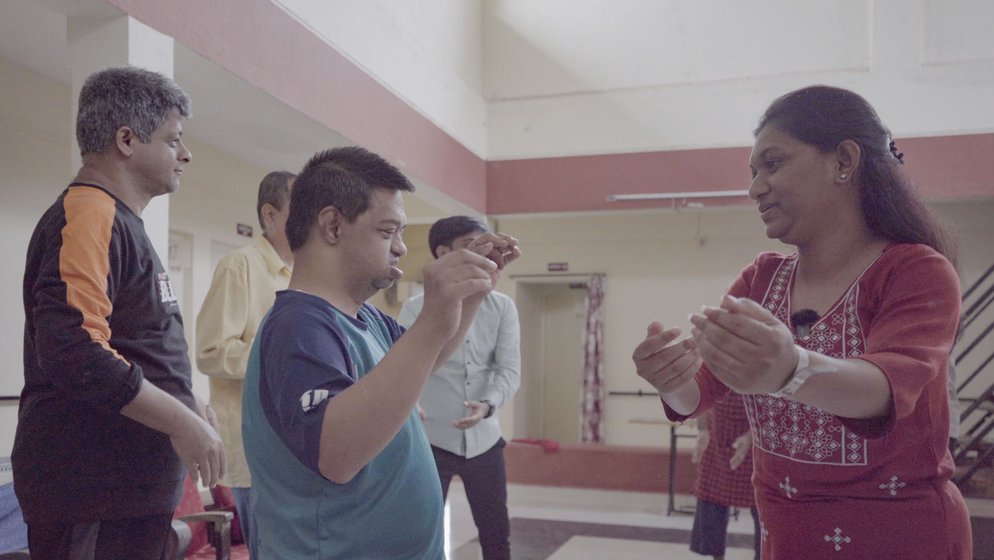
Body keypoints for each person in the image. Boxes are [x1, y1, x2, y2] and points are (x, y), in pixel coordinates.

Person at [632, 85, 971, 559]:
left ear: (844, 161)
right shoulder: (761, 279)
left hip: (899, 540)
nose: (754, 188)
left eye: (773, 164)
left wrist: (792, 371)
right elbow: (700, 390)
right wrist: (671, 379)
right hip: (787, 540)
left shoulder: (915, 271)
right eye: (752, 173)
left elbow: (884, 386)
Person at [241, 146, 520, 558]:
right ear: (333, 226)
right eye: (387, 232)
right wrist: (431, 320)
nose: (401, 248)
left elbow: (422, 361)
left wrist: (471, 293)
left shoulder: (363, 317)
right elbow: (336, 453)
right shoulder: (298, 325)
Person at [15, 66, 224, 559]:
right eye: (174, 140)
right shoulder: (90, 213)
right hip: (92, 489)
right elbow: (73, 349)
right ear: (127, 140)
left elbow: (133, 344)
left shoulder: (118, 222)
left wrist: (188, 403)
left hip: (124, 492)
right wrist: (180, 420)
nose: (186, 154)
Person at [399, 216, 521, 560]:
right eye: (471, 247)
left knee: (496, 534)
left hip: (484, 440)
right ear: (442, 253)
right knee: (422, 533)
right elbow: (402, 366)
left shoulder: (502, 307)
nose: (481, 255)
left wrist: (488, 404)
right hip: (429, 439)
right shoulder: (414, 308)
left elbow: (509, 369)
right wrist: (410, 404)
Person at [195, 170, 295, 556]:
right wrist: (277, 349)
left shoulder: (304, 272)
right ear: (270, 215)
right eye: (299, 208)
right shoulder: (240, 266)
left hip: (296, 442)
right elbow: (209, 352)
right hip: (256, 445)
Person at [689, 396, 759, 560]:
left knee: (763, 507)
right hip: (717, 435)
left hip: (755, 435)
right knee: (712, 502)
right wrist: (703, 430)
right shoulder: (710, 369)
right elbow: (701, 397)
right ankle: (716, 556)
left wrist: (750, 436)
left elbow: (770, 406)